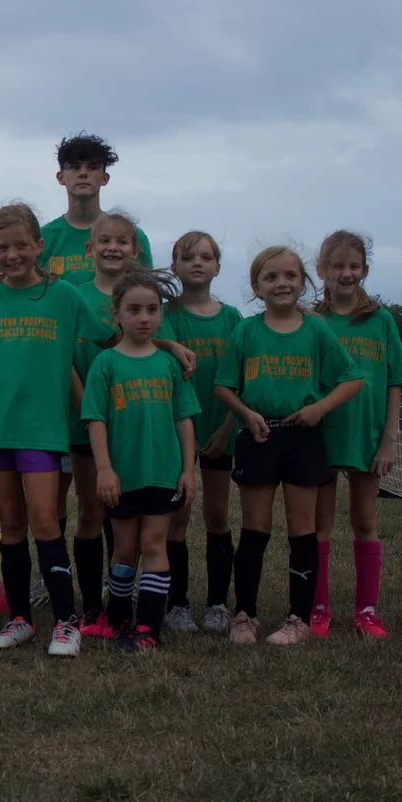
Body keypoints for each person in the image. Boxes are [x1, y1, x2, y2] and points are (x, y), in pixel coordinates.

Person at [0, 202, 114, 656]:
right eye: (3, 247)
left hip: (42, 428)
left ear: (40, 245)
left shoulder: (63, 295)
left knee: (45, 520)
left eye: (23, 245)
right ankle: (20, 619)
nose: (14, 254)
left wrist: (169, 346)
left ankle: (67, 622)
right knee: (12, 523)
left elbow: (112, 338)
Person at [213, 247, 364, 646]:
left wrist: (320, 407)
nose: (281, 284)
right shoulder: (246, 330)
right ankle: (245, 615)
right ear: (256, 286)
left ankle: (298, 618)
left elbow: (352, 378)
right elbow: (223, 385)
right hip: (259, 435)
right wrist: (246, 414)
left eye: (290, 276)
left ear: (303, 282)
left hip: (303, 437)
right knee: (254, 530)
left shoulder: (316, 329)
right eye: (271, 277)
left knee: (303, 531)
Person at [65, 210, 192, 639]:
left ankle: (145, 622)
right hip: (96, 431)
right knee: (91, 515)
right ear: (91, 247)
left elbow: (156, 347)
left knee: (148, 540)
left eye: (123, 241)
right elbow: (63, 350)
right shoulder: (75, 296)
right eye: (105, 240)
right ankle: (97, 611)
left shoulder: (152, 319)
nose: (113, 247)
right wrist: (92, 416)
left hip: (151, 451)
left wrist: (171, 342)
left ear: (136, 250)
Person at [82, 268, 199, 652]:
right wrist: (104, 469)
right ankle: (118, 623)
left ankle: (148, 629)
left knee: (154, 545)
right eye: (134, 309)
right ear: (116, 314)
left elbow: (183, 419)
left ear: (161, 313)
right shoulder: (105, 363)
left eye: (152, 309)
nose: (144, 317)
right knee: (124, 549)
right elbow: (96, 420)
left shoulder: (169, 364)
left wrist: (187, 470)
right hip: (122, 475)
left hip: (163, 473)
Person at [312, 230, 402, 640]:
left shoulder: (381, 319)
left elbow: (395, 382)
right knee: (319, 523)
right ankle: (318, 607)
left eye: (354, 266)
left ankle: (366, 611)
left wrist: (389, 439)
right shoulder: (312, 321)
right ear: (321, 271)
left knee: (364, 519)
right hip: (321, 434)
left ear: (365, 270)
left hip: (366, 435)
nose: (346, 273)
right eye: (338, 266)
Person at [163, 231, 243, 635]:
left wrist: (228, 426)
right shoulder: (164, 315)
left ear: (217, 266)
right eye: (188, 257)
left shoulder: (231, 318)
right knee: (178, 516)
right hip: (178, 431)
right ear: (174, 265)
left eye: (206, 257)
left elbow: (240, 378)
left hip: (219, 430)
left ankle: (216, 604)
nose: (198, 263)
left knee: (216, 514)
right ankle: (176, 603)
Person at [40, 133, 153, 287]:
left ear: (104, 178)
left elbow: (148, 295)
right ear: (60, 177)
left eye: (92, 167)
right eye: (74, 167)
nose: (83, 173)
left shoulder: (131, 236)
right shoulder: (43, 238)